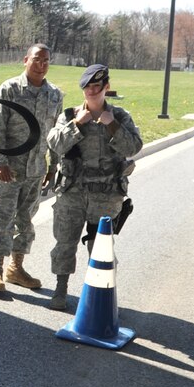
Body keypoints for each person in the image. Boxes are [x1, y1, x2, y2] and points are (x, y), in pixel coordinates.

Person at [46, 64, 143, 310]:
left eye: (96, 86)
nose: (91, 91)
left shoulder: (120, 117)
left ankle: (102, 297)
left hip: (106, 194)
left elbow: (133, 147)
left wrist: (112, 125)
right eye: (87, 87)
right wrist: (77, 125)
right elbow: (55, 144)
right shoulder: (69, 115)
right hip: (72, 192)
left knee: (100, 249)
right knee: (65, 243)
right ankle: (60, 289)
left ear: (106, 87)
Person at [0, 44, 63, 293]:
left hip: (36, 170)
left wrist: (53, 165)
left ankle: (15, 269)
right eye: (37, 59)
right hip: (10, 170)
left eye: (46, 61)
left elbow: (55, 133)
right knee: (2, 219)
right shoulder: (9, 89)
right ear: (26, 60)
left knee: (25, 221)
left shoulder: (55, 95)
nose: (42, 65)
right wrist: (0, 163)